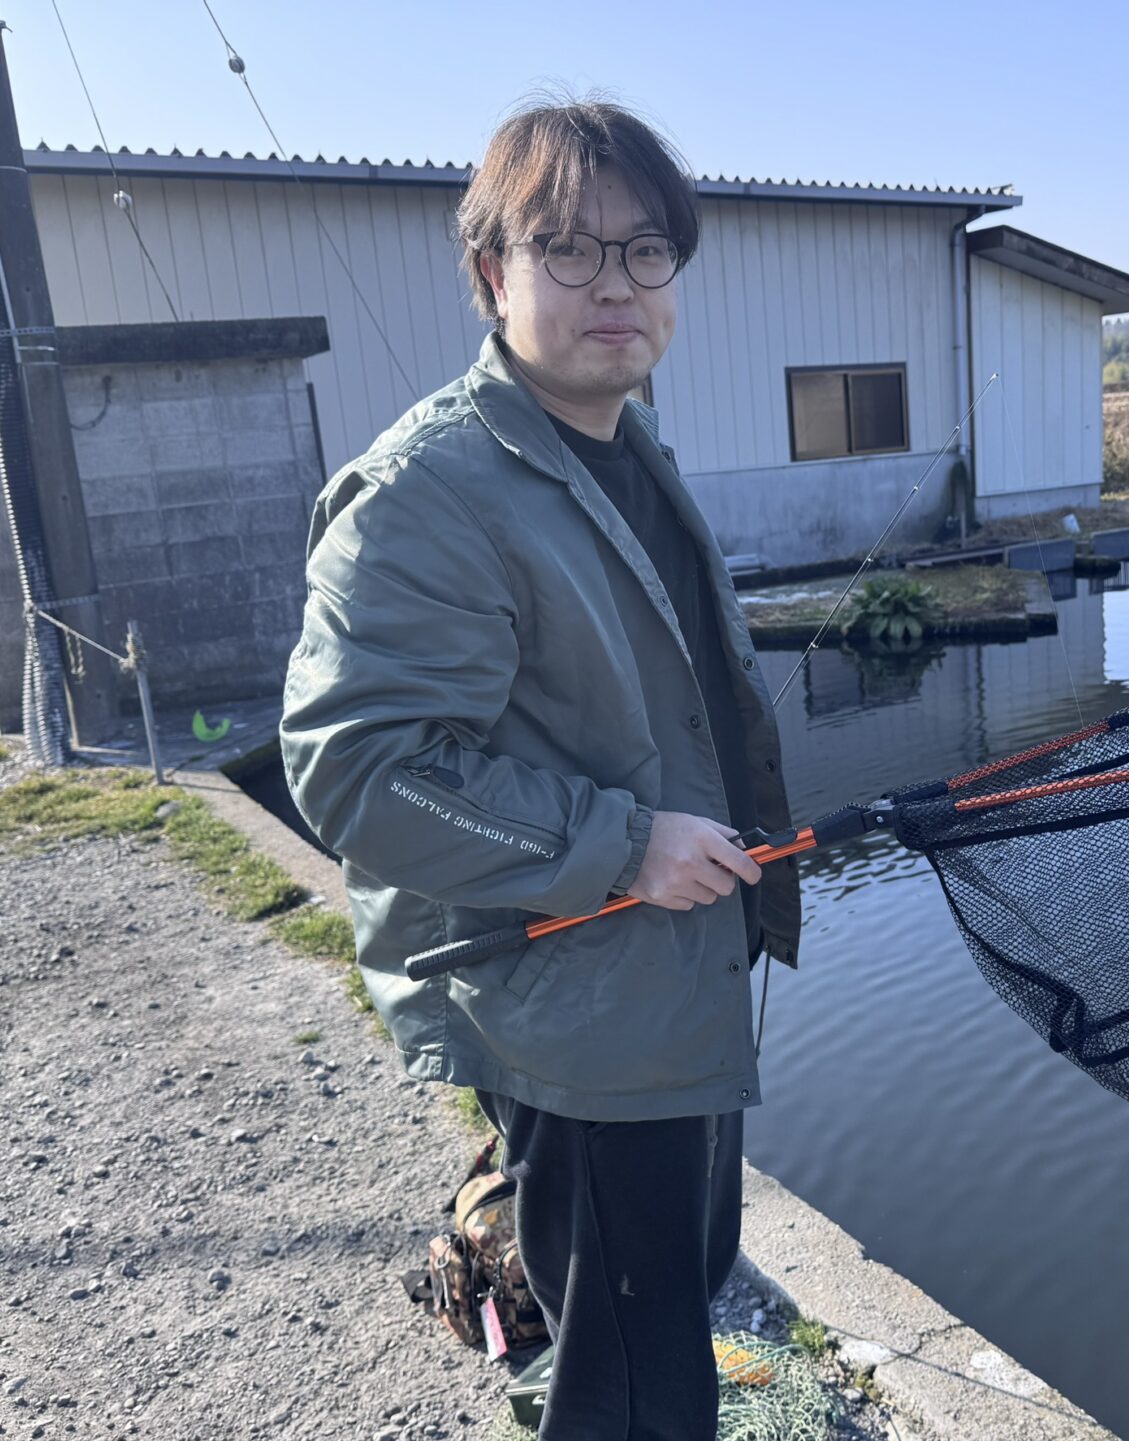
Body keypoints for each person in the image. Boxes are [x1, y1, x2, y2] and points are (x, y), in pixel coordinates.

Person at [279, 96, 802, 1439]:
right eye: (567, 248)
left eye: (646, 250)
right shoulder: (429, 491)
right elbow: (359, 770)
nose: (615, 284)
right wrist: (625, 844)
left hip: (666, 976)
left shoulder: (624, 442)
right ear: (491, 274)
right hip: (575, 1009)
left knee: (667, 1302)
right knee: (633, 1383)